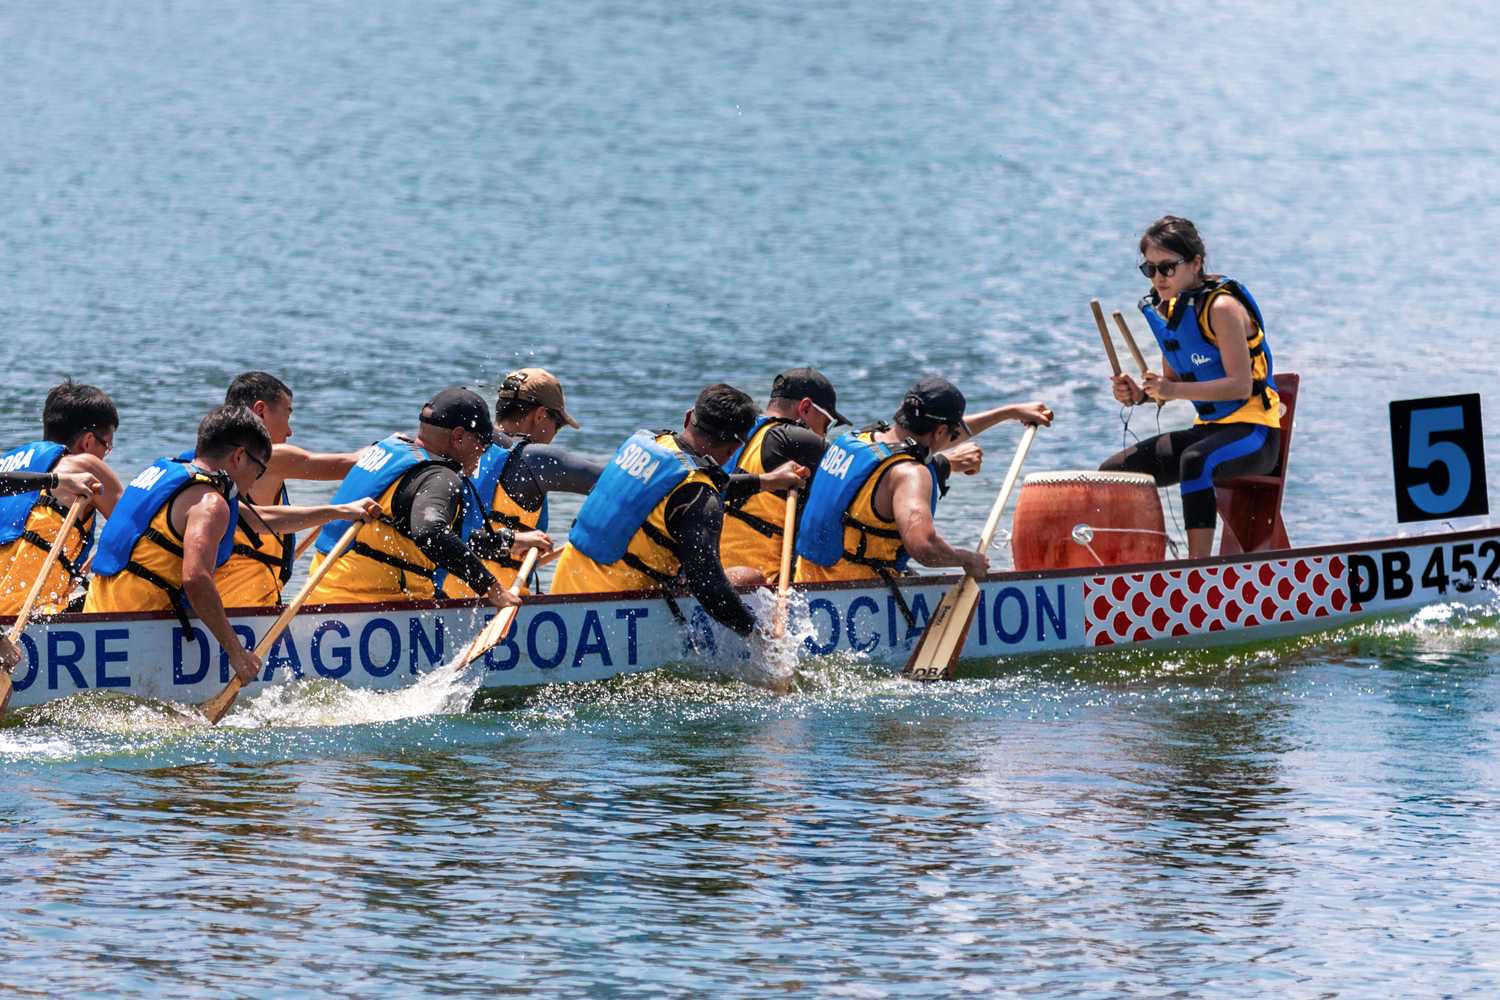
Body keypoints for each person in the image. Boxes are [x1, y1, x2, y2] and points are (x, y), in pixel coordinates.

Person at [83, 406, 379, 683]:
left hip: (95, 623)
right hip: (137, 637)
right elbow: (196, 579)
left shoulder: (171, 475)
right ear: (239, 457)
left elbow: (256, 520)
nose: (255, 481)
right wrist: (236, 652)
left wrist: (338, 511)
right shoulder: (211, 503)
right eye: (259, 470)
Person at [551, 384, 805, 637]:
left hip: (563, 593)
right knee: (750, 578)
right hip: (608, 623)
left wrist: (768, 481)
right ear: (733, 448)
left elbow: (701, 487)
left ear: (688, 418)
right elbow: (709, 589)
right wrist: (758, 634)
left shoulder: (651, 441)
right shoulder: (699, 497)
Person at [1100, 216, 1282, 559]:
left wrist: (1170, 391)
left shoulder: (1222, 308)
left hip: (1256, 435)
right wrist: (1139, 394)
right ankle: (1137, 563)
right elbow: (1176, 382)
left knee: (1195, 460)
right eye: (1149, 270)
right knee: (1115, 472)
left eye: (1167, 268)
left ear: (1196, 263)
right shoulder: (1172, 310)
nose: (1157, 279)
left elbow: (1240, 386)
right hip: (1210, 430)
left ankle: (1197, 570)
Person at [795, 377, 1052, 611]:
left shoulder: (858, 440)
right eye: (950, 432)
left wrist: (1009, 413)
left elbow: (936, 438)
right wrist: (967, 559)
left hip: (807, 589)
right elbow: (924, 547)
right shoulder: (910, 474)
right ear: (940, 431)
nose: (953, 437)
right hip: (857, 602)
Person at [307, 387, 551, 608]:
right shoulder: (439, 476)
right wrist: (493, 589)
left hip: (320, 598)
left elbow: (436, 533)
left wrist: (508, 541)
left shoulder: (390, 452)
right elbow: (431, 532)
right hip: (364, 609)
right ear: (458, 436)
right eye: (482, 443)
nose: (483, 453)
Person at [196, 372, 362, 607]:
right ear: (261, 411)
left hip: (236, 606)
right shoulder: (274, 457)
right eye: (287, 414)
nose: (290, 431)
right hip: (240, 613)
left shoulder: (212, 457)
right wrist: (396, 447)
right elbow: (353, 464)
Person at [440, 368, 604, 599]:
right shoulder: (534, 460)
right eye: (557, 426)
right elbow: (617, 484)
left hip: (437, 596)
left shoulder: (459, 446)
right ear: (539, 415)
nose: (554, 436)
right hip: (492, 605)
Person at [0, 382, 125, 615]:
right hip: (28, 615)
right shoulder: (86, 466)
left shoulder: (9, 466)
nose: (105, 455)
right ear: (87, 441)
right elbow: (139, 535)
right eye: (106, 446)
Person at [719, 368, 850, 584]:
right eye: (827, 424)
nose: (825, 434)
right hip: (760, 586)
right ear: (805, 407)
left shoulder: (744, 432)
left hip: (720, 575)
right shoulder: (795, 439)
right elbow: (859, 476)